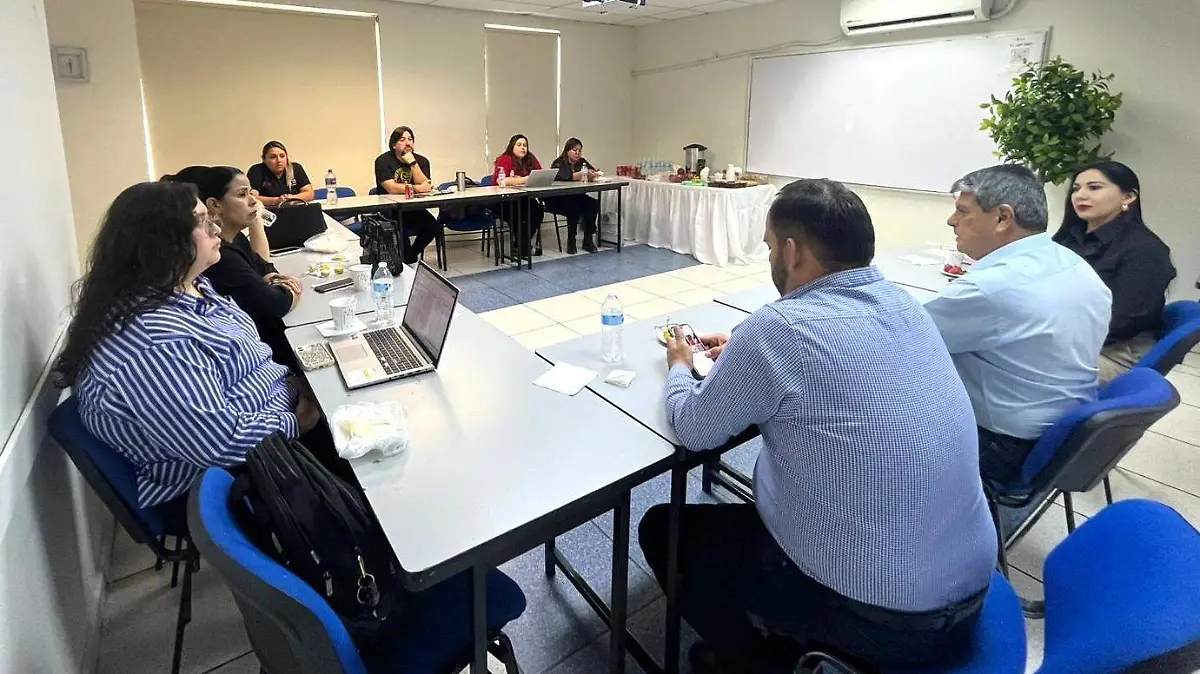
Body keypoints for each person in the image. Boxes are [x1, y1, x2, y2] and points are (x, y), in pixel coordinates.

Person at [639, 179, 997, 674]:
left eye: (770, 246)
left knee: (663, 530)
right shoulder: (905, 305)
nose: (771, 258)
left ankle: (756, 660)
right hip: (972, 588)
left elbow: (694, 429)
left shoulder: (778, 329)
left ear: (792, 251)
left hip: (884, 620)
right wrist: (745, 346)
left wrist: (680, 365)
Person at [51, 182, 335, 532]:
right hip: (235, 475)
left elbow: (240, 364)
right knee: (375, 471)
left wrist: (296, 384)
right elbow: (218, 443)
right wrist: (299, 422)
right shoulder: (154, 340)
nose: (216, 227)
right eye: (202, 221)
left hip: (275, 420)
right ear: (164, 243)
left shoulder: (190, 286)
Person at [923, 165, 1111, 486]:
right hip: (1062, 434)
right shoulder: (1073, 263)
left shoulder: (992, 288)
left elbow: (902, 338)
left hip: (1002, 445)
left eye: (962, 211)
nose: (951, 221)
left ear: (1002, 217)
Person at [163, 166, 303, 370]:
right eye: (242, 194)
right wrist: (291, 288)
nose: (254, 201)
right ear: (214, 205)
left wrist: (272, 278)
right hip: (272, 355)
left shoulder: (233, 240)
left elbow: (262, 264)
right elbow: (275, 304)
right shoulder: (220, 257)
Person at [1053, 161, 1176, 382]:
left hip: (1114, 353)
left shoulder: (1145, 250)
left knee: (1009, 366)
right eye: (1076, 189)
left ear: (1128, 197)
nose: (1080, 195)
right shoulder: (1069, 238)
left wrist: (1049, 337)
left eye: (1094, 187)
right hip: (1066, 336)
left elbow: (1121, 322)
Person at [374, 125, 441, 264]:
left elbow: (425, 185)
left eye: (410, 139)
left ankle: (411, 255)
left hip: (412, 208)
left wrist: (412, 163)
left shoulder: (421, 160)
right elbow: (391, 188)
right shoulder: (383, 161)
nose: (408, 143)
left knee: (434, 226)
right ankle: (406, 260)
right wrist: (418, 188)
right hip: (390, 209)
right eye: (402, 140)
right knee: (400, 231)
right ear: (394, 145)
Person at [492, 134, 545, 257]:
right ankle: (523, 248)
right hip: (503, 201)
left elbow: (539, 174)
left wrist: (518, 179)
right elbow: (501, 181)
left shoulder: (530, 158)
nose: (523, 148)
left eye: (525, 145)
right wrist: (525, 179)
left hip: (523, 198)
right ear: (512, 146)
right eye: (519, 145)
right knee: (519, 214)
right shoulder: (505, 159)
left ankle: (519, 245)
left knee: (537, 211)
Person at [546, 138, 601, 254]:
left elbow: (591, 170)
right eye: (574, 150)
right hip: (558, 198)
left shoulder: (582, 162)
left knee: (593, 204)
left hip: (576, 195)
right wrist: (579, 175)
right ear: (567, 151)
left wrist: (593, 173)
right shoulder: (558, 162)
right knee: (574, 207)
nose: (577, 153)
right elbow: (562, 176)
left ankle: (588, 239)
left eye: (579, 150)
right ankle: (571, 240)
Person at [246, 140, 314, 206]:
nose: (279, 160)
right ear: (264, 159)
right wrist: (276, 200)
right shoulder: (256, 170)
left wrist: (291, 198)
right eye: (273, 157)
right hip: (268, 210)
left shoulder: (295, 168)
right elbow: (252, 197)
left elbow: (310, 193)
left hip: (294, 207)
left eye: (282, 156)